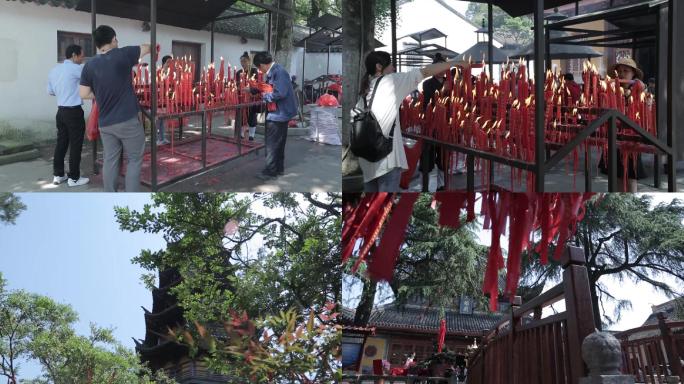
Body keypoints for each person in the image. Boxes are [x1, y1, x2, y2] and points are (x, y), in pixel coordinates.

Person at [353, 50, 463, 192]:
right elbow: (425, 72)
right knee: (384, 205)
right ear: (379, 67)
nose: (393, 68)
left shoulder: (364, 94)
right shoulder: (390, 82)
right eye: (391, 64)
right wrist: (455, 63)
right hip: (387, 161)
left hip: (367, 162)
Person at [79, 25, 151, 192]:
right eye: (116, 39)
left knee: (110, 160)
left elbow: (83, 93)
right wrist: (148, 39)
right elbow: (147, 47)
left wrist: (100, 94)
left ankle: (110, 193)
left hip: (105, 123)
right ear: (112, 40)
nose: (117, 42)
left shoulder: (89, 65)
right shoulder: (123, 54)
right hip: (127, 120)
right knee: (134, 159)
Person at [599, 57, 647, 192]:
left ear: (633, 74)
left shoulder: (639, 89)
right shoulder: (611, 90)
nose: (621, 74)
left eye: (625, 71)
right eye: (619, 71)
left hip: (631, 137)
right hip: (614, 135)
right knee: (614, 174)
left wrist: (640, 88)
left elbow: (645, 104)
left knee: (631, 176)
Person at [47, 44, 90, 187]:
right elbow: (90, 81)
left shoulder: (54, 70)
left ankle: (58, 175)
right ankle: (74, 178)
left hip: (60, 112)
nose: (82, 58)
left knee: (61, 143)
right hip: (73, 111)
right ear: (74, 55)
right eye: (81, 55)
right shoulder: (76, 69)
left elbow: (51, 91)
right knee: (76, 145)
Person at [252, 51, 298, 180]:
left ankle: (270, 171)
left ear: (262, 65)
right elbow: (268, 87)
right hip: (280, 112)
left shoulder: (279, 72)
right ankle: (279, 168)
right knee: (278, 142)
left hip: (279, 113)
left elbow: (279, 93)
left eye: (259, 68)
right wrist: (253, 89)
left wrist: (264, 97)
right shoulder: (275, 71)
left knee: (272, 143)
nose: (259, 71)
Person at [236, 51, 259, 141]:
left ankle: (251, 134)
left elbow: (257, 83)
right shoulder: (238, 72)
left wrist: (250, 88)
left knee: (252, 115)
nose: (243, 63)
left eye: (245, 61)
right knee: (241, 115)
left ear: (249, 61)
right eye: (241, 61)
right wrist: (238, 86)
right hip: (241, 96)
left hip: (251, 97)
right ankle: (241, 133)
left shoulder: (254, 71)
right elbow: (236, 83)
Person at [155, 55, 173, 146]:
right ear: (163, 63)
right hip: (159, 99)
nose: (170, 64)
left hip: (166, 99)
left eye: (171, 62)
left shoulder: (171, 72)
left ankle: (162, 138)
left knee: (163, 120)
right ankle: (157, 139)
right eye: (168, 62)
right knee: (158, 120)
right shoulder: (159, 72)